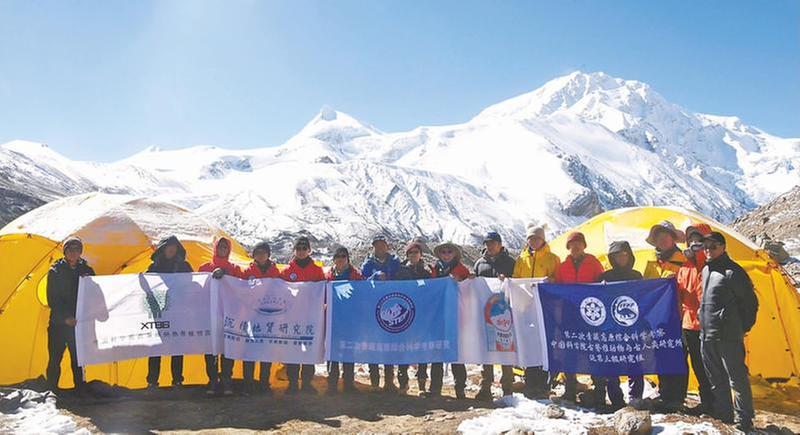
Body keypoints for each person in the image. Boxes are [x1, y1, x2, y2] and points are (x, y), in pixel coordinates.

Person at [700, 232, 757, 433]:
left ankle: (744, 420)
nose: (708, 249)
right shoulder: (706, 269)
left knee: (737, 379)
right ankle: (724, 414)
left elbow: (750, 304)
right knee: (716, 378)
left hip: (728, 336)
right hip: (706, 334)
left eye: (713, 246)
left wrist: (741, 328)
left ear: (723, 247)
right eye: (705, 246)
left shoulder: (733, 272)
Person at [553, 231, 604, 404]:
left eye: (578, 244)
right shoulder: (562, 266)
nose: (575, 247)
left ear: (584, 245)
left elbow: (601, 286)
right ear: (568, 248)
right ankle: (570, 389)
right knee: (570, 351)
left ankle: (599, 390)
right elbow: (557, 290)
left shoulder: (594, 263)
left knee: (593, 349)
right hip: (569, 314)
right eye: (571, 245)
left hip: (590, 314)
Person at [643, 220, 688, 411]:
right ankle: (664, 392)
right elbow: (645, 289)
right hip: (657, 319)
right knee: (661, 353)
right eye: (658, 237)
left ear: (673, 238)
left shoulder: (685, 260)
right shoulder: (651, 264)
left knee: (678, 355)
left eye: (665, 236)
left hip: (680, 316)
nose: (662, 240)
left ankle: (677, 397)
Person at [512, 223, 561, 399]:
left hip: (545, 308)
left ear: (543, 239)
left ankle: (544, 384)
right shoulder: (521, 259)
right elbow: (516, 280)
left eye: (537, 238)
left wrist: (551, 281)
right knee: (529, 344)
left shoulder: (552, 258)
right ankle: (530, 382)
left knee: (544, 344)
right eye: (531, 238)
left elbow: (559, 280)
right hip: (526, 308)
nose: (534, 241)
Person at [596, 241, 643, 411]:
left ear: (630, 256)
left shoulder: (637, 275)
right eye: (617, 255)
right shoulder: (604, 277)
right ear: (612, 258)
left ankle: (636, 398)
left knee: (635, 363)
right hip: (610, 329)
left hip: (632, 328)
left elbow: (644, 299)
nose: (621, 258)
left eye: (624, 254)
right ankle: (616, 399)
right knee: (611, 365)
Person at [46, 237, 95, 393]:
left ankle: (80, 391)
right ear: (65, 251)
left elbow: (94, 294)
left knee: (78, 360)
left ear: (80, 252)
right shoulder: (55, 271)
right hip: (58, 325)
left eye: (76, 250)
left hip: (78, 325)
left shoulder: (87, 271)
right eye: (70, 249)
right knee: (55, 359)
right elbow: (52, 299)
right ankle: (52, 391)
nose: (73, 253)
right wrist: (65, 318)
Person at [145, 236, 194, 390]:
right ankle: (152, 381)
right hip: (159, 312)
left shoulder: (184, 266)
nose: (171, 249)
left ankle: (177, 380)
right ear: (163, 248)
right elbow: (146, 287)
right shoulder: (153, 267)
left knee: (177, 346)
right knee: (155, 347)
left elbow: (191, 284)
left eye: (174, 247)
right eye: (169, 246)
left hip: (178, 312)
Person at [473, 231, 516, 401]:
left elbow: (517, 282)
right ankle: (485, 388)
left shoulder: (510, 262)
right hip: (484, 313)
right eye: (487, 243)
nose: (489, 246)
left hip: (504, 313)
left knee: (506, 347)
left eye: (492, 243)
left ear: (500, 244)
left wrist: (508, 280)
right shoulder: (479, 264)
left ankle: (507, 389)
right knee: (486, 350)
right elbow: (474, 285)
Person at [676, 224, 715, 415]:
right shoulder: (685, 266)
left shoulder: (710, 263)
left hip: (707, 324)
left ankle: (711, 402)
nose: (694, 243)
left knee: (705, 365)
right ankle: (684, 399)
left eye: (698, 238)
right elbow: (681, 294)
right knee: (692, 364)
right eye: (690, 239)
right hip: (687, 323)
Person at [281, 236, 326, 394]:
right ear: (294, 251)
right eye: (298, 249)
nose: (301, 252)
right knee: (292, 350)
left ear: (309, 250)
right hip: (291, 317)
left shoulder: (317, 270)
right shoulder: (287, 271)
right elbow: (280, 291)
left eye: (304, 248)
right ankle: (292, 383)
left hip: (310, 317)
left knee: (309, 349)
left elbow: (323, 291)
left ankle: (307, 383)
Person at [199, 236, 244, 396]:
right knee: (210, 347)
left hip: (229, 314)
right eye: (220, 247)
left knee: (227, 347)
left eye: (225, 247)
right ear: (215, 248)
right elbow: (199, 291)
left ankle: (226, 379)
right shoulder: (204, 268)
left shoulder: (235, 269)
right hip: (209, 314)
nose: (223, 249)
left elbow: (242, 290)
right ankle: (212, 379)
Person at [360, 234, 402, 390]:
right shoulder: (368, 263)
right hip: (373, 308)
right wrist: (374, 277)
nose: (379, 247)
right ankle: (375, 382)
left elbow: (402, 278)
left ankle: (389, 381)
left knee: (389, 344)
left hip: (391, 305)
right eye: (376, 245)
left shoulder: (395, 262)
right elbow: (362, 281)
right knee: (373, 344)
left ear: (387, 246)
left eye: (382, 245)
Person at [431, 241, 470, 399]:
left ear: (454, 254)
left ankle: (460, 388)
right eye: (443, 252)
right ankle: (435, 388)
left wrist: (464, 280)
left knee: (456, 352)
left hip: (456, 314)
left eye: (449, 251)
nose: (446, 254)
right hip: (439, 314)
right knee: (437, 351)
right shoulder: (435, 269)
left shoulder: (462, 269)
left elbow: (470, 286)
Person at [241, 241, 281, 395]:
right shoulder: (247, 272)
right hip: (251, 318)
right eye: (257, 252)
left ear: (268, 254)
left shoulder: (275, 272)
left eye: (263, 252)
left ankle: (264, 384)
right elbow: (237, 288)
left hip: (270, 318)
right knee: (249, 351)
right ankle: (248, 384)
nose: (261, 255)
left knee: (266, 351)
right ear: (254, 255)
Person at [395, 241, 434, 394]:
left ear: (421, 255)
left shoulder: (426, 273)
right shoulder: (401, 272)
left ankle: (422, 384)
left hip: (422, 317)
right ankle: (403, 384)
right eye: (410, 253)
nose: (413, 255)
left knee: (422, 350)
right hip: (405, 316)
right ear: (407, 255)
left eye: (416, 252)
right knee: (403, 349)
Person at [325, 246, 363, 395]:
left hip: (350, 319)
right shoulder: (328, 276)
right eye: (337, 256)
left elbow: (362, 295)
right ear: (334, 259)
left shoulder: (356, 275)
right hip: (333, 318)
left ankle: (348, 383)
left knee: (349, 350)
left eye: (343, 256)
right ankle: (332, 384)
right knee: (332, 351)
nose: (340, 259)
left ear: (347, 258)